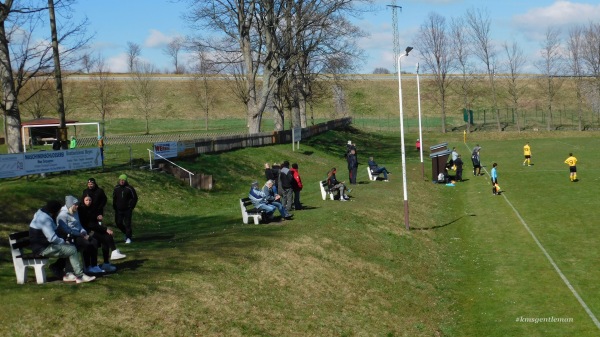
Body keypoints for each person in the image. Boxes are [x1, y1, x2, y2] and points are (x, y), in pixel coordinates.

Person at [29, 200, 95, 283]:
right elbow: (52, 238)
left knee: (71, 246)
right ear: (54, 211)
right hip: (42, 248)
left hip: (43, 245)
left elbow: (54, 230)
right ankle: (80, 276)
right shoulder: (45, 219)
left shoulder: (42, 212)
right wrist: (63, 242)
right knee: (72, 249)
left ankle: (68, 274)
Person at [57, 196, 104, 274]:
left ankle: (94, 265)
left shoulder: (75, 212)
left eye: (77, 204)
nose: (77, 206)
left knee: (94, 241)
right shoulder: (62, 215)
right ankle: (87, 266)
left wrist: (84, 232)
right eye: (75, 205)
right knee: (87, 244)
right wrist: (80, 234)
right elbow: (66, 230)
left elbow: (79, 225)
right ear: (70, 205)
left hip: (79, 234)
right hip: (70, 237)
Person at [78, 195, 125, 272]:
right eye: (86, 200)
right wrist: (105, 229)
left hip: (94, 229)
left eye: (90, 200)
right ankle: (93, 265)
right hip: (87, 231)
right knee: (101, 239)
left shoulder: (92, 208)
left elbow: (94, 222)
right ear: (83, 200)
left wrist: (98, 217)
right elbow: (89, 224)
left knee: (107, 236)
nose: (88, 202)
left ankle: (107, 262)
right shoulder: (82, 210)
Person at [113, 174, 138, 244]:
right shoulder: (116, 188)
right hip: (118, 209)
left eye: (123, 180)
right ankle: (126, 233)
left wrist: (131, 207)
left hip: (127, 209)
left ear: (126, 181)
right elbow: (114, 198)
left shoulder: (129, 188)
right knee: (118, 223)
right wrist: (114, 206)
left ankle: (128, 237)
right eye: (120, 180)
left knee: (127, 224)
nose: (122, 181)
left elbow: (135, 198)